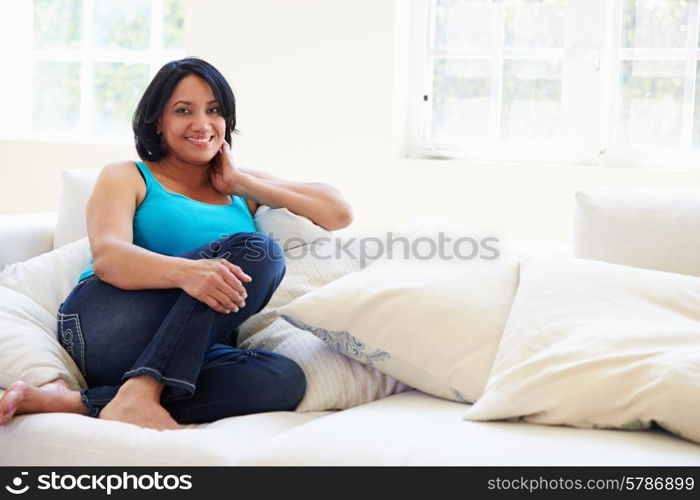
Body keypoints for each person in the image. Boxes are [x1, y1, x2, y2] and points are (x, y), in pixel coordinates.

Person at [0, 57, 353, 431]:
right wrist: (187, 273)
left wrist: (242, 183)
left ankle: (90, 402)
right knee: (259, 252)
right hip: (109, 322)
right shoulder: (129, 175)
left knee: (283, 379)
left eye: (214, 111)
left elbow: (338, 211)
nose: (202, 124)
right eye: (184, 111)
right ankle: (141, 387)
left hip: (188, 350)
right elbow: (109, 258)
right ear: (158, 121)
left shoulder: (239, 188)